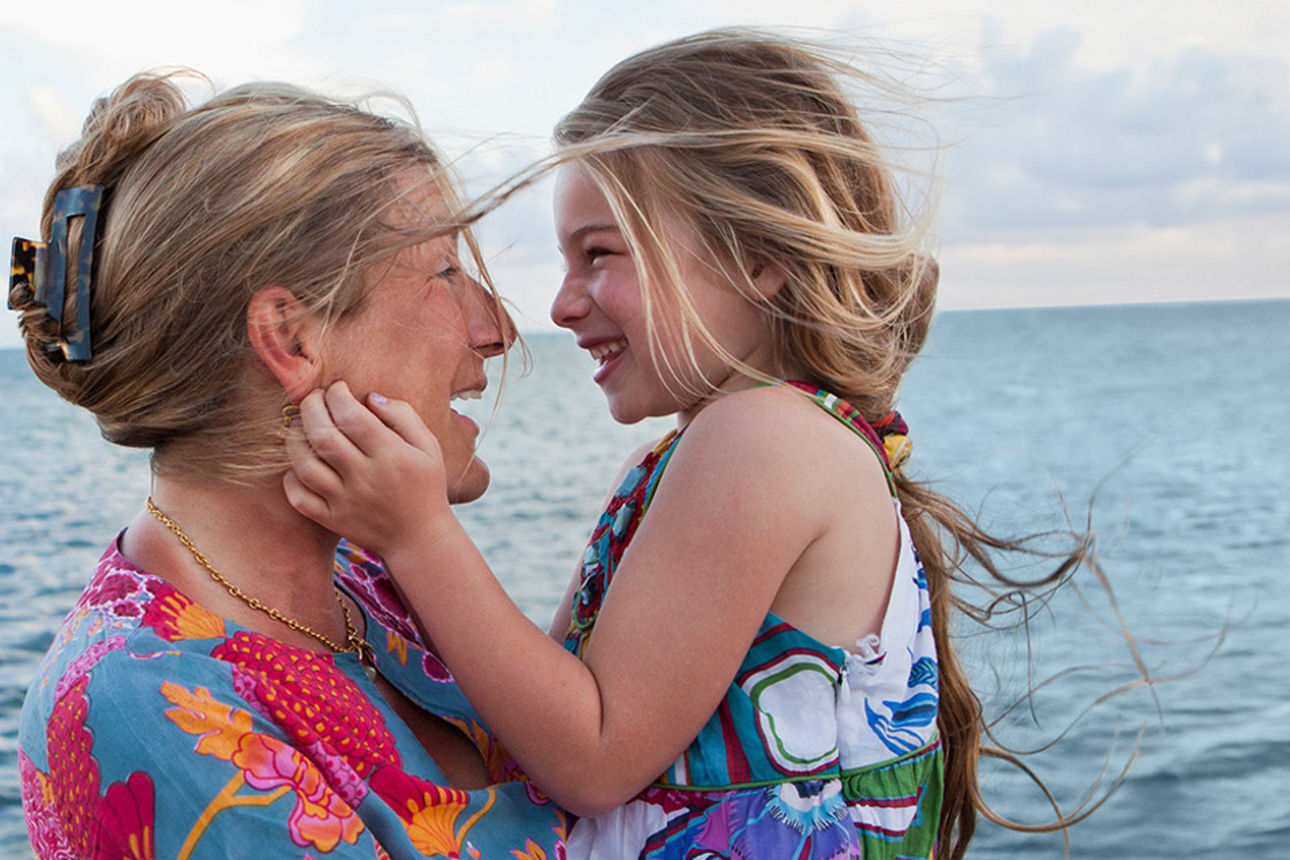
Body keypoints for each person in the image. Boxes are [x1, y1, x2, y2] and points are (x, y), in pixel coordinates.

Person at [284, 30, 1089, 860]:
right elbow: (542, 714)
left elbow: (591, 760)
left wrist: (416, 535)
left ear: (759, 255)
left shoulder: (763, 438)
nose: (559, 307)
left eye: (598, 254)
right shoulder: (695, 455)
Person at [12, 70, 567, 858]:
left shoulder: (376, 582)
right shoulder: (137, 699)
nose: (497, 327)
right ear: (291, 338)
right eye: (446, 271)